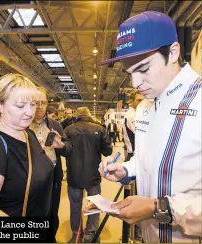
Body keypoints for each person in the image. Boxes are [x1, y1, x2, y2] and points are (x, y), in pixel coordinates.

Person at [99, 11, 202, 242]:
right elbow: (150, 158)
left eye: (143, 69)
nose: (135, 83)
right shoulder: (146, 107)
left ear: (173, 52)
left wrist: (158, 207)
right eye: (129, 73)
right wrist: (127, 170)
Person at [0, 74, 54, 217]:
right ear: (0, 105)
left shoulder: (28, 134)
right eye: (20, 106)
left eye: (33, 104)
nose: (29, 112)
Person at [30, 87, 72, 242]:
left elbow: (69, 148)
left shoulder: (55, 125)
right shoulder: (24, 124)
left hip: (52, 177)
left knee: (52, 211)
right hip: (29, 177)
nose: (40, 107)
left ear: (47, 104)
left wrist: (61, 146)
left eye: (43, 103)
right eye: (36, 103)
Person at [64, 107, 113, 243]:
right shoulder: (100, 129)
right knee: (94, 205)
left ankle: (76, 235)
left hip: (74, 175)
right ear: (89, 115)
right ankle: (90, 236)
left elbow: (63, 151)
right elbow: (108, 150)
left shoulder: (69, 130)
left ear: (78, 115)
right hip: (93, 176)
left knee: (75, 206)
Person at [122, 92, 144, 161]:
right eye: (139, 100)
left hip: (137, 154)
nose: (142, 103)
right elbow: (142, 134)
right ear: (131, 101)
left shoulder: (137, 114)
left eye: (143, 100)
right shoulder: (131, 116)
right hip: (134, 156)